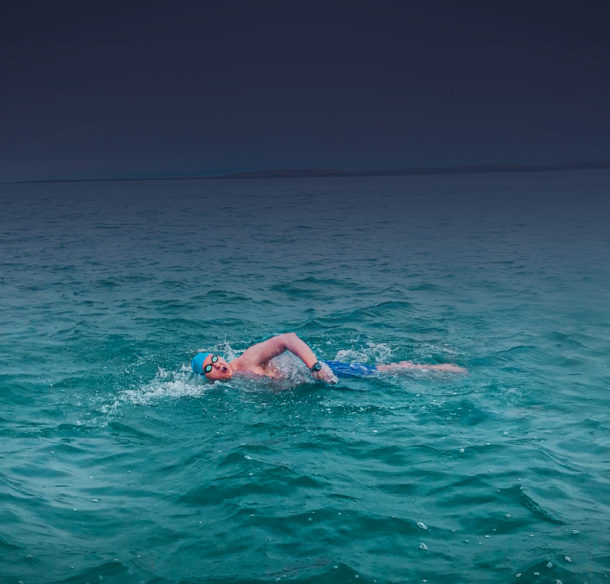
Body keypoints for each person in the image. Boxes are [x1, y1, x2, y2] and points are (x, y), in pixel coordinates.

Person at [191, 332, 466, 383]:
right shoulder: (231, 382)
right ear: (207, 377)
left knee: (383, 372)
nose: (218, 365)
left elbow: (288, 338)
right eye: (210, 367)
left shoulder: (247, 360)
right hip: (308, 388)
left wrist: (315, 367)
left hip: (320, 373)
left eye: (215, 358)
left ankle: (438, 369)